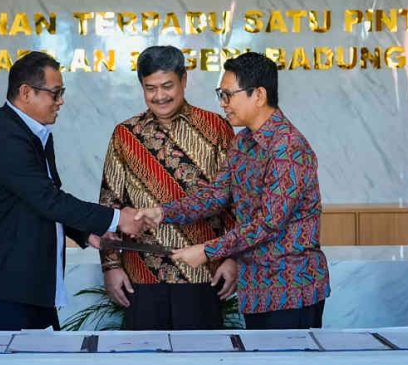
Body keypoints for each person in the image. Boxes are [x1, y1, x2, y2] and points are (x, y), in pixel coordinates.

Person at [136, 52, 330, 329]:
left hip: (291, 290)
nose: (223, 103)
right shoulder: (243, 142)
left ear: (259, 95)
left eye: (228, 95)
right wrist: (162, 213)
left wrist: (207, 250)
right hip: (256, 290)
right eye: (220, 94)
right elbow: (215, 195)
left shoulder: (288, 147)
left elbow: (268, 223)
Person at [0, 51, 144, 331]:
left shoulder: (32, 133)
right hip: (5, 290)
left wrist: (85, 232)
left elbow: (42, 200)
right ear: (26, 92)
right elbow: (49, 200)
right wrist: (116, 218)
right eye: (55, 93)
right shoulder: (6, 138)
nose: (61, 101)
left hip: (28, 287)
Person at [98, 45, 237, 330]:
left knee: (201, 357)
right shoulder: (126, 134)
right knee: (143, 357)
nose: (159, 96)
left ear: (183, 80)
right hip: (141, 275)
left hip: (202, 273)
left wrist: (233, 258)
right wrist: (111, 267)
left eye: (167, 86)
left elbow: (234, 201)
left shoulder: (216, 128)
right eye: (150, 88)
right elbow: (109, 205)